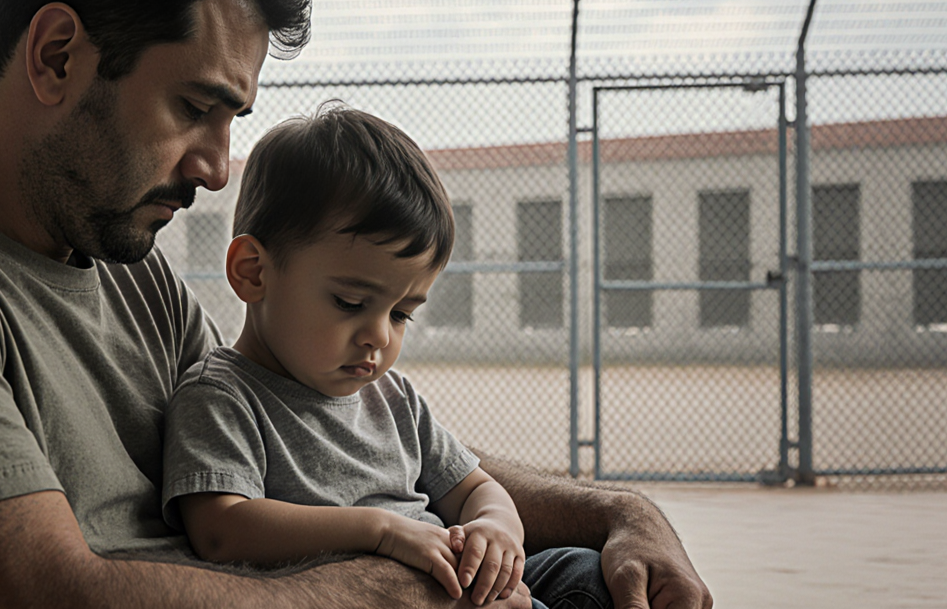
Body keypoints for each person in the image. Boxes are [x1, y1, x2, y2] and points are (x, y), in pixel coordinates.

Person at [0, 0, 712, 607]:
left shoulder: (117, 255)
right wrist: (390, 583)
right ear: (58, 54)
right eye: (196, 107)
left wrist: (614, 511)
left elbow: (316, 425)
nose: (218, 168)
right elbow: (38, 593)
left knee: (609, 584)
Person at [162, 104, 614, 609]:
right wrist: (381, 531)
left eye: (402, 314)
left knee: (591, 573)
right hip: (370, 594)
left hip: (455, 579)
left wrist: (496, 528)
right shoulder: (221, 397)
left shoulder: (392, 398)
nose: (378, 336)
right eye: (350, 303)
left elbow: (474, 488)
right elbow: (222, 529)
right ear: (253, 272)